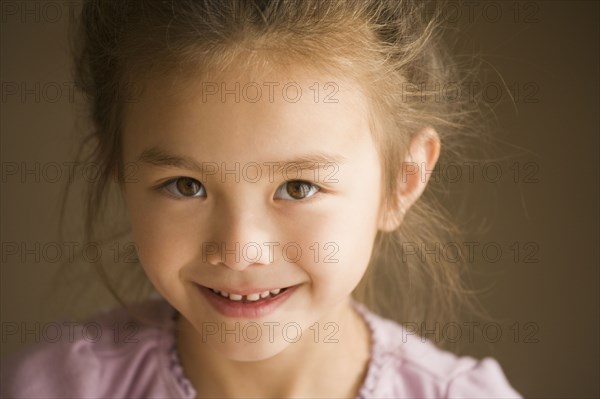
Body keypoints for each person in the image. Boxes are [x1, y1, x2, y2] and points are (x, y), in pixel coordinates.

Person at [2, 1, 522, 397]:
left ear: (402, 180)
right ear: (119, 168)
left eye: (298, 188)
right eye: (187, 185)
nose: (239, 250)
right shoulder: (58, 386)